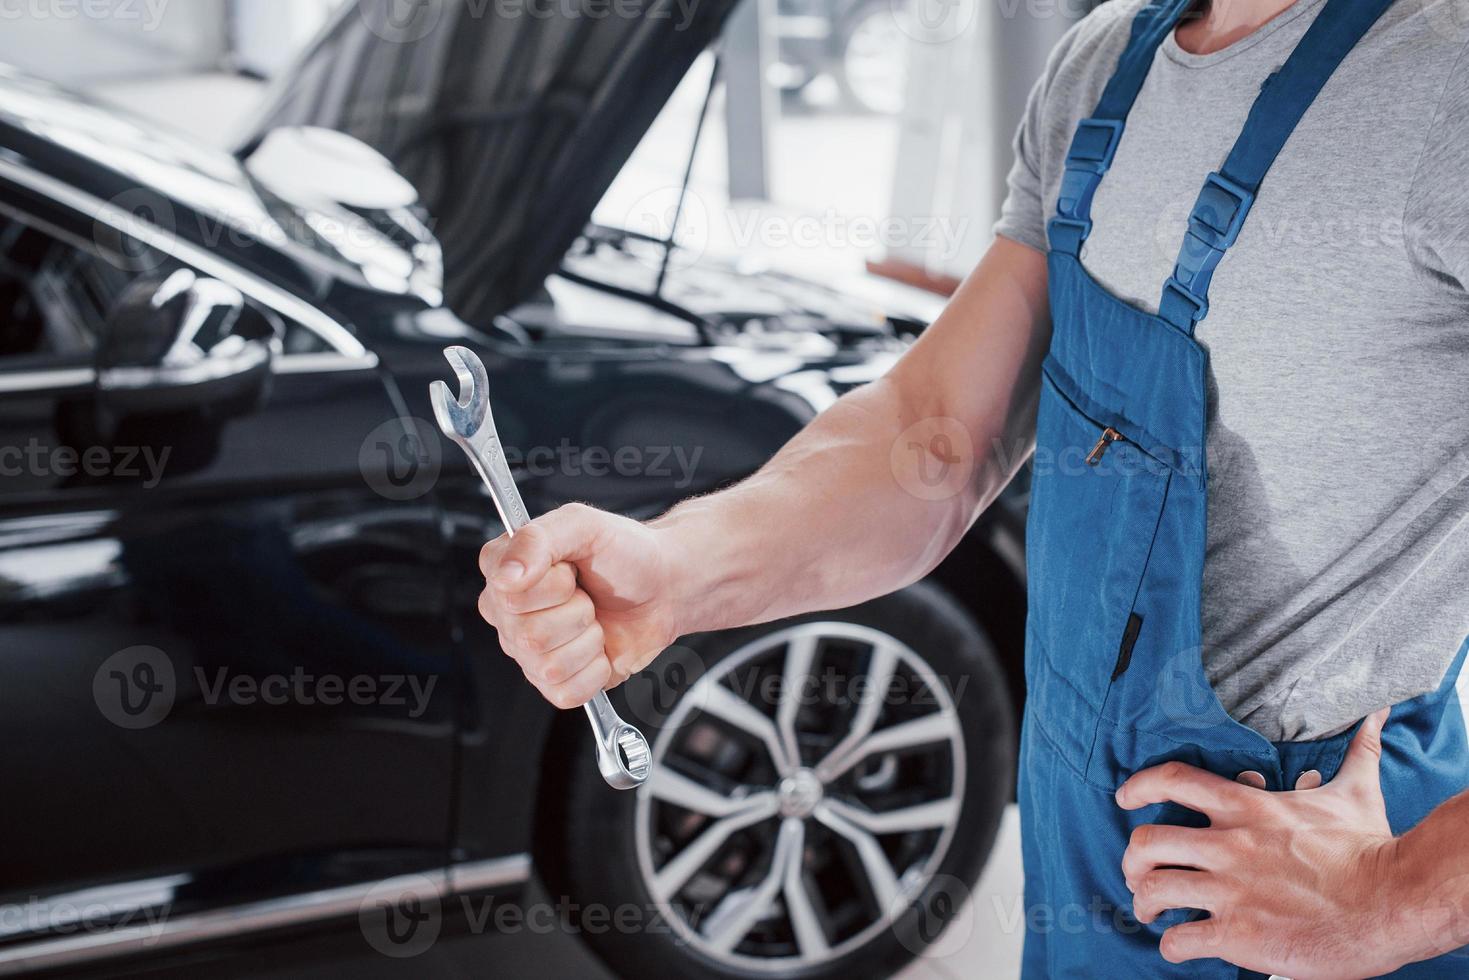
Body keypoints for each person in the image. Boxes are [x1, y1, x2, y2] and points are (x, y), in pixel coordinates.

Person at [476, 0, 1469, 973]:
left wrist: (1391, 894)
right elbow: (933, 435)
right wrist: (679, 567)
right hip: (1084, 841)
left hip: (1307, 875)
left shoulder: (1441, 73)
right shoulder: (1103, 66)